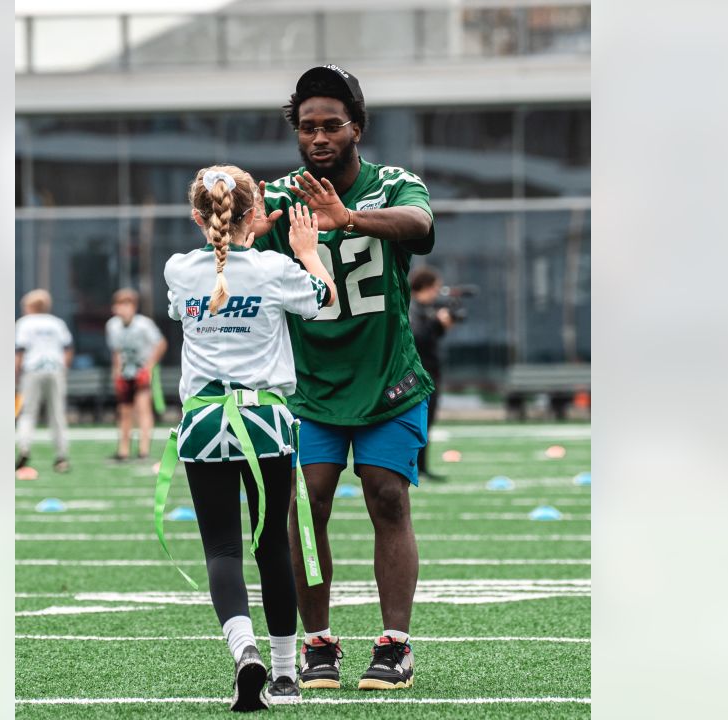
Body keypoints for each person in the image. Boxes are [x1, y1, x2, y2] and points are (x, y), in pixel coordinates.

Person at [251, 64, 435, 691]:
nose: (319, 137)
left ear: (357, 128)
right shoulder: (279, 196)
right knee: (308, 506)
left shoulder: (391, 185)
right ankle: (319, 641)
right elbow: (230, 238)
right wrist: (240, 234)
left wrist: (347, 219)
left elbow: (422, 227)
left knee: (388, 496)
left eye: (332, 124)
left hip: (386, 375)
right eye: (308, 127)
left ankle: (396, 643)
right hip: (309, 384)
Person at [159, 165, 337, 710]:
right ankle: (285, 674)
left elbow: (189, 303)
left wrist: (241, 238)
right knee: (272, 547)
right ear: (255, 211)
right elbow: (325, 303)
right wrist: (307, 251)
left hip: (205, 420)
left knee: (221, 548)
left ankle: (244, 651)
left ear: (198, 216)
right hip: (264, 420)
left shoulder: (179, 269)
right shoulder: (275, 269)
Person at [15, 289, 73, 473]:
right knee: (57, 413)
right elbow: (68, 348)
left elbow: (20, 351)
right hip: (55, 369)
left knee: (27, 412)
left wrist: (15, 375)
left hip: (32, 370)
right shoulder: (57, 323)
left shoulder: (24, 323)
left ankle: (24, 449)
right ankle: (61, 456)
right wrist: (64, 368)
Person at [106, 288, 167, 461]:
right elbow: (116, 351)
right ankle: (123, 450)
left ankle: (143, 450)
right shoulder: (112, 325)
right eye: (120, 305)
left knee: (143, 410)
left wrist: (149, 367)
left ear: (134, 307)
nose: (123, 309)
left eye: (127, 305)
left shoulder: (144, 324)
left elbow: (161, 343)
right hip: (126, 372)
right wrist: (116, 373)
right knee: (124, 412)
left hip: (141, 370)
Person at [408, 266, 454, 481]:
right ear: (425, 287)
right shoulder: (412, 307)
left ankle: (422, 466)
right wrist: (436, 322)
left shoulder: (423, 308)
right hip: (419, 374)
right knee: (418, 422)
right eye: (435, 287)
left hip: (429, 372)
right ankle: (413, 466)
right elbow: (417, 338)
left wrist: (441, 325)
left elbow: (430, 336)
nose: (437, 292)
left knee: (427, 422)